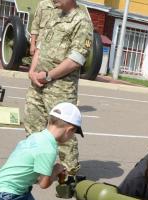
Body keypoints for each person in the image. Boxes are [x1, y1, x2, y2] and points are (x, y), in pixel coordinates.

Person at [24, 0, 93, 175]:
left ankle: (68, 174)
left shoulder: (81, 21)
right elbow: (39, 47)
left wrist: (48, 76)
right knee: (33, 125)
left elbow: (76, 60)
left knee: (63, 133)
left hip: (60, 87)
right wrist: (32, 71)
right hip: (37, 82)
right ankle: (38, 168)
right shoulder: (54, 14)